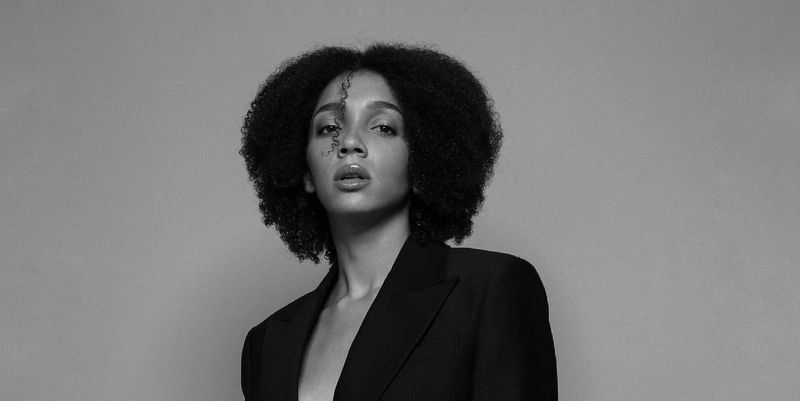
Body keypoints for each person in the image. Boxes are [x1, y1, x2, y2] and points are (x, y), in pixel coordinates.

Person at [239, 43, 557, 401]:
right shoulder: (267, 343)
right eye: (328, 128)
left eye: (383, 127)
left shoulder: (490, 289)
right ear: (305, 172)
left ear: (422, 161)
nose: (350, 143)